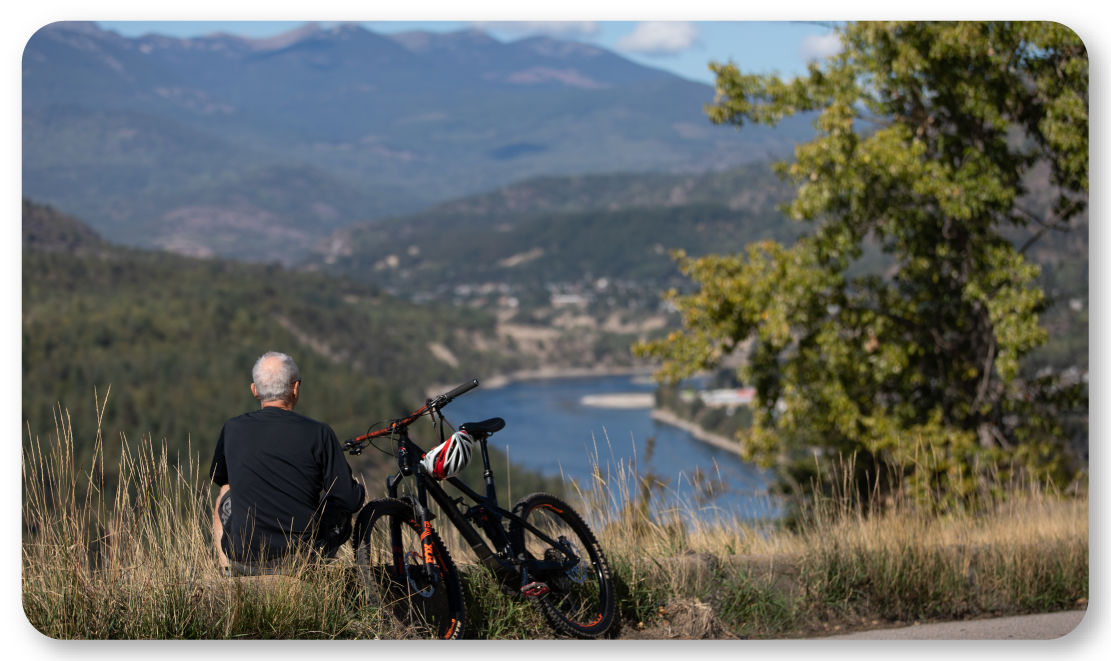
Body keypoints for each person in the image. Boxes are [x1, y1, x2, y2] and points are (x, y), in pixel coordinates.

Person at [209, 351, 365, 575]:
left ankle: (227, 570)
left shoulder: (231, 428)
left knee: (224, 493)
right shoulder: (318, 432)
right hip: (299, 559)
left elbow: (222, 481)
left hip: (242, 558)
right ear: (295, 388)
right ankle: (322, 578)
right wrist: (355, 489)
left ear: (254, 390)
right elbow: (349, 501)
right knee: (336, 503)